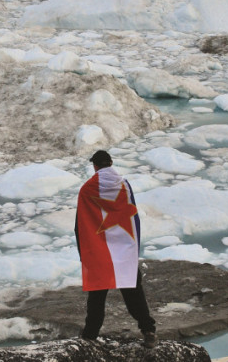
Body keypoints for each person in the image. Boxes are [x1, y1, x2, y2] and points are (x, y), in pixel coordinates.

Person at [74, 149, 157, 348]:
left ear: (95, 166)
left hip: (100, 251)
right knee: (134, 293)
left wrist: (84, 253)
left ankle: (90, 337)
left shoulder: (87, 188)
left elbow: (81, 225)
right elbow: (131, 215)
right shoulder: (124, 185)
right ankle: (149, 331)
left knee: (96, 296)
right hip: (124, 249)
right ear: (111, 163)